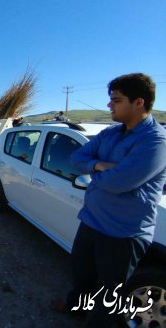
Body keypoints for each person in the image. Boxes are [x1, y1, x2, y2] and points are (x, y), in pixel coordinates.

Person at [52, 73, 166, 327]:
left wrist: (95, 173)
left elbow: (118, 183)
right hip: (91, 220)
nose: (109, 105)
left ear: (138, 103)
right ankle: (76, 308)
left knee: (108, 295)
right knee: (82, 275)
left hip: (123, 232)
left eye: (116, 100)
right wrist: (101, 165)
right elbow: (77, 158)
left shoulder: (156, 141)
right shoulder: (112, 133)